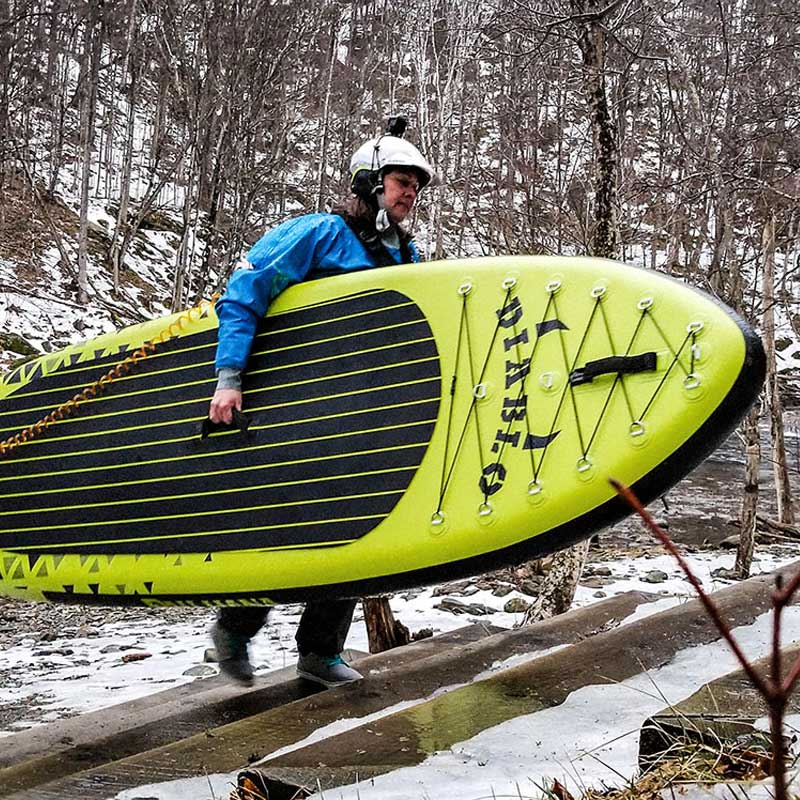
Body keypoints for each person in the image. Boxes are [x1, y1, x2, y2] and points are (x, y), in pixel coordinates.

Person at [208, 123, 438, 688]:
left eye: (415, 186)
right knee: (292, 520)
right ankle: (235, 630)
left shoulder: (405, 258)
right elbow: (244, 292)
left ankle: (319, 653)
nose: (409, 193)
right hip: (301, 407)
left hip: (368, 415)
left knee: (361, 529)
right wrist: (229, 377)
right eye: (400, 181)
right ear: (370, 182)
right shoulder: (319, 233)